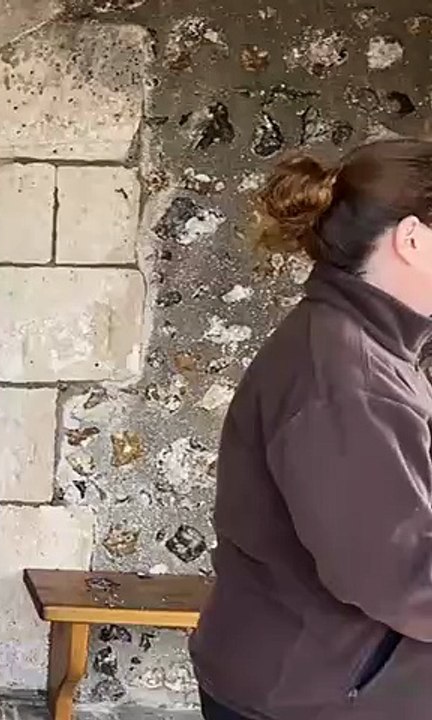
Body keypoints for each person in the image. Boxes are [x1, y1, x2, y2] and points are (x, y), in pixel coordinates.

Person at [189, 138, 432, 720]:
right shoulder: (347, 376)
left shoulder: (373, 349)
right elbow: (401, 578)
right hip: (316, 697)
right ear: (414, 240)